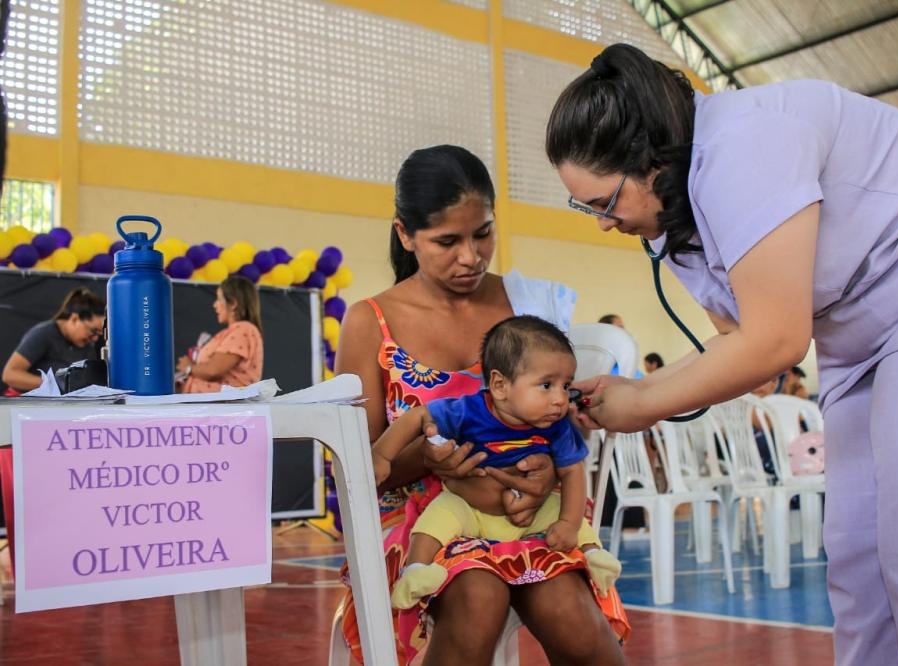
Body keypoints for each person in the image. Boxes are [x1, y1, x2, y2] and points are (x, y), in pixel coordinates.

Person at [546, 42, 898, 665]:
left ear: (650, 159)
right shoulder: (671, 218)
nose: (602, 223)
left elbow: (778, 342)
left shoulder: (745, 145)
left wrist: (645, 405)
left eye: (604, 203)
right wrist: (630, 393)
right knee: (858, 556)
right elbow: (736, 337)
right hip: (862, 335)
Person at [334, 145, 627, 666]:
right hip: (421, 520)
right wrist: (426, 459)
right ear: (405, 234)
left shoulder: (528, 307)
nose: (470, 256)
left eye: (483, 233)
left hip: (527, 510)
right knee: (477, 593)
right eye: (447, 241)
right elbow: (354, 468)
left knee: (575, 621)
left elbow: (557, 422)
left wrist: (544, 475)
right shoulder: (370, 321)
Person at [372, 315, 621, 609]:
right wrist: (382, 455)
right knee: (437, 517)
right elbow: (419, 417)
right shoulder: (469, 411)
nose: (560, 399)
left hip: (533, 514)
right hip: (471, 512)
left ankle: (593, 554)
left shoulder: (558, 426)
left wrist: (567, 524)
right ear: (500, 386)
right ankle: (416, 571)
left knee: (569, 514)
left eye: (566, 386)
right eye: (546, 385)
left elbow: (573, 473)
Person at [2, 287, 105, 392]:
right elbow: (10, 374)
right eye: (93, 331)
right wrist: (54, 384)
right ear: (75, 319)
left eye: (99, 334)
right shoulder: (44, 333)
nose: (95, 338)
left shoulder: (88, 345)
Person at [177, 275, 263, 393]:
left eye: (219, 299)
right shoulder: (233, 331)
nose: (215, 305)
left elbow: (213, 370)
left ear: (233, 303)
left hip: (221, 410)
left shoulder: (244, 329)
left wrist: (188, 367)